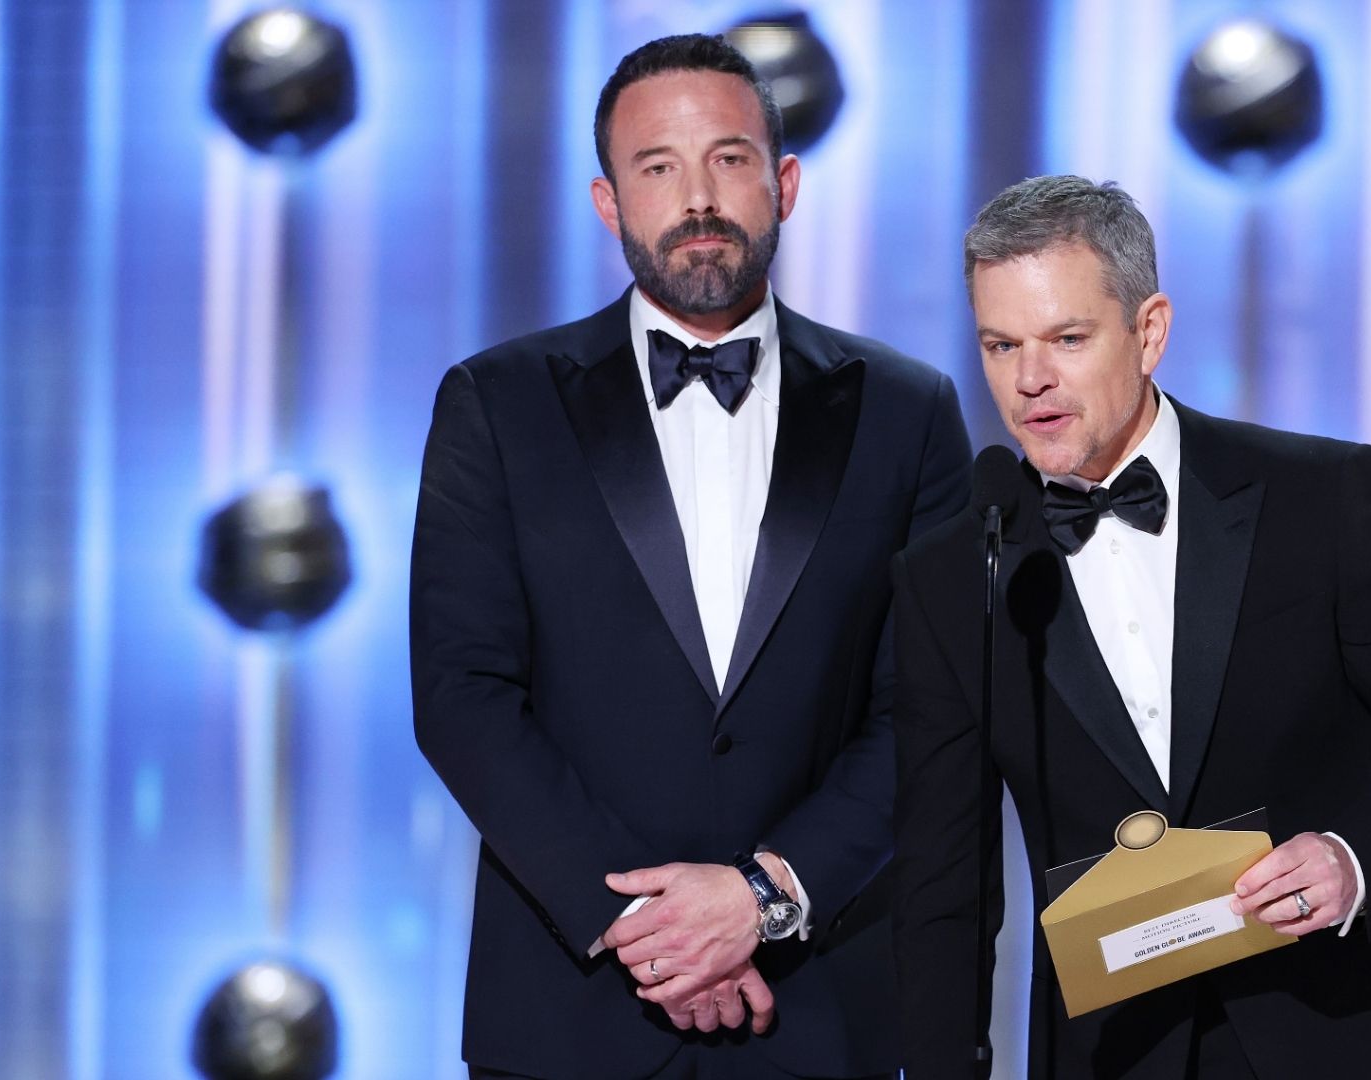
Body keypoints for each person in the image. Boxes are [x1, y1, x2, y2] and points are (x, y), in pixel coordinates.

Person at [411, 33, 971, 1079]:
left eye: (729, 159)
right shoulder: (496, 404)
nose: (698, 197)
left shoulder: (910, 411)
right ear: (607, 201)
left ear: (785, 183)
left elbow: (932, 706)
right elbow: (462, 695)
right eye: (657, 168)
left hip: (821, 1008)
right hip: (570, 1017)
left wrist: (763, 897)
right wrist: (653, 929)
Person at [890, 175, 1371, 1079]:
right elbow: (942, 885)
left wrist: (1355, 860)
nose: (1030, 380)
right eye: (1001, 345)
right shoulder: (955, 575)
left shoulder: (1319, 498)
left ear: (1149, 330)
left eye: (1067, 339)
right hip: (1120, 1053)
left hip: (1352, 1026)